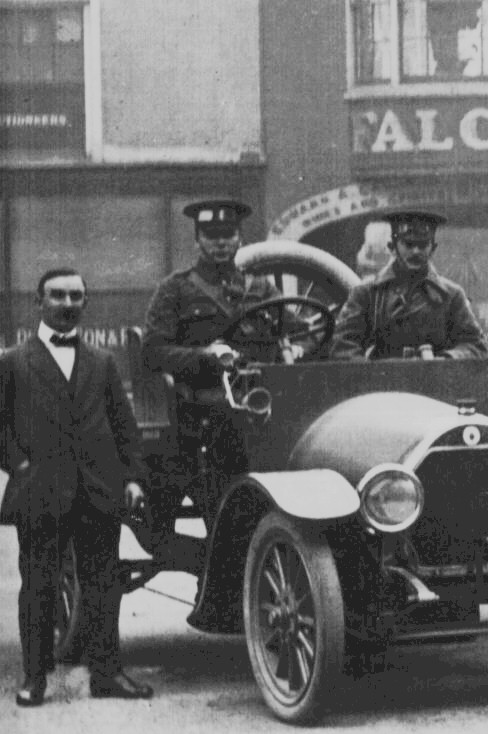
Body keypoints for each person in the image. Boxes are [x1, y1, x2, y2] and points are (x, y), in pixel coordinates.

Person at [0, 268, 153, 707]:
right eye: (58, 295)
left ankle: (107, 674)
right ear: (39, 301)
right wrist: (20, 465)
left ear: (84, 303)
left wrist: (133, 478)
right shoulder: (13, 361)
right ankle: (34, 679)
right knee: (39, 588)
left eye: (76, 296)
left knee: (104, 586)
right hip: (41, 492)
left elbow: (125, 427)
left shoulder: (102, 362)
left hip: (98, 490)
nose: (67, 304)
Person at [141, 199, 291, 519]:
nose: (220, 243)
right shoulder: (175, 290)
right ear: (198, 241)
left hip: (262, 407)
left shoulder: (262, 289)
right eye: (211, 236)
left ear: (240, 239)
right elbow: (153, 350)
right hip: (199, 413)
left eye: (228, 234)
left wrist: (300, 348)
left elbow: (298, 329)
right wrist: (204, 358)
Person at [330, 210, 488, 360]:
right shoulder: (367, 294)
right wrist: (372, 372)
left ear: (432, 248)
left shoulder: (451, 295)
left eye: (422, 245)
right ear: (392, 247)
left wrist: (445, 360)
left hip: (435, 382)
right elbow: (342, 345)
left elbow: (475, 345)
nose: (415, 252)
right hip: (382, 385)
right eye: (408, 244)